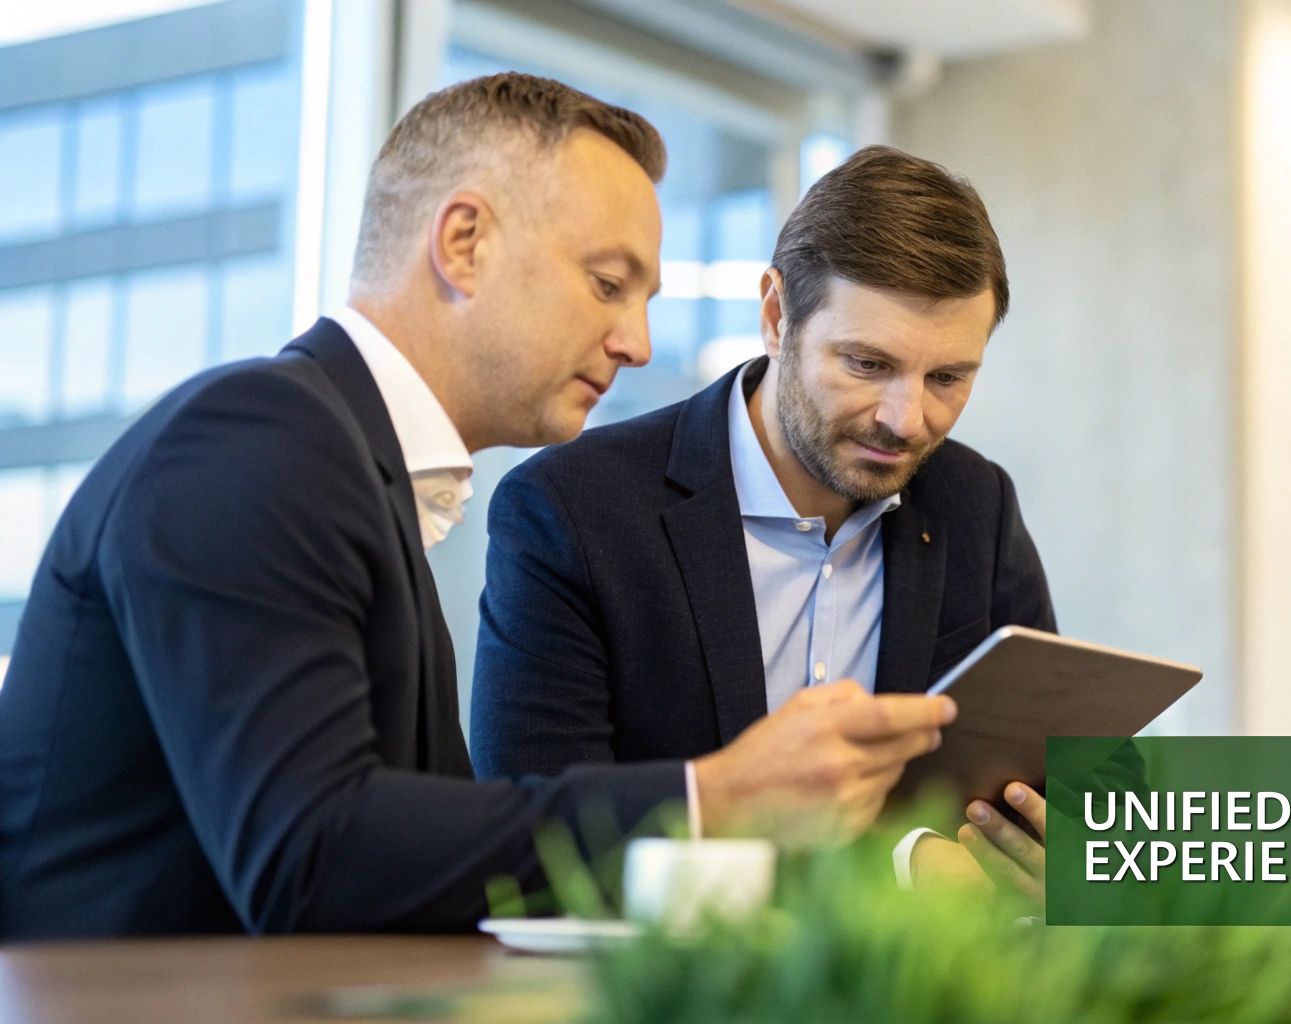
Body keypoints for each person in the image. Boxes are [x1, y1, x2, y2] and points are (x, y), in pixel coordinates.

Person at [0, 75, 955, 941]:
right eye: (608, 283)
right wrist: (714, 796)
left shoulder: (353, 468)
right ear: (463, 243)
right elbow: (310, 859)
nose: (635, 341)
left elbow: (447, 863)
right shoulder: (257, 437)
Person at [470, 145, 1054, 895]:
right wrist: (902, 872)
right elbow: (544, 851)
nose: (907, 420)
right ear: (777, 317)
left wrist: (1054, 850)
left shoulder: (977, 505)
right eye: (867, 365)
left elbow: (1036, 780)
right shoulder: (570, 513)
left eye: (947, 377)